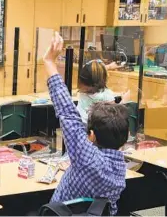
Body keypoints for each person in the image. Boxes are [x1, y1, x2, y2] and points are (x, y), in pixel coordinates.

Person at [43, 32, 129, 215]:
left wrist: (49, 62)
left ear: (91, 136)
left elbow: (67, 111)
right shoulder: (121, 170)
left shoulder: (86, 157)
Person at [77, 59, 130, 124]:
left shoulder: (83, 91)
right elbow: (114, 116)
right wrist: (124, 100)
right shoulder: (107, 95)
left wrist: (109, 66)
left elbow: (90, 71)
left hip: (80, 124)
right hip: (96, 129)